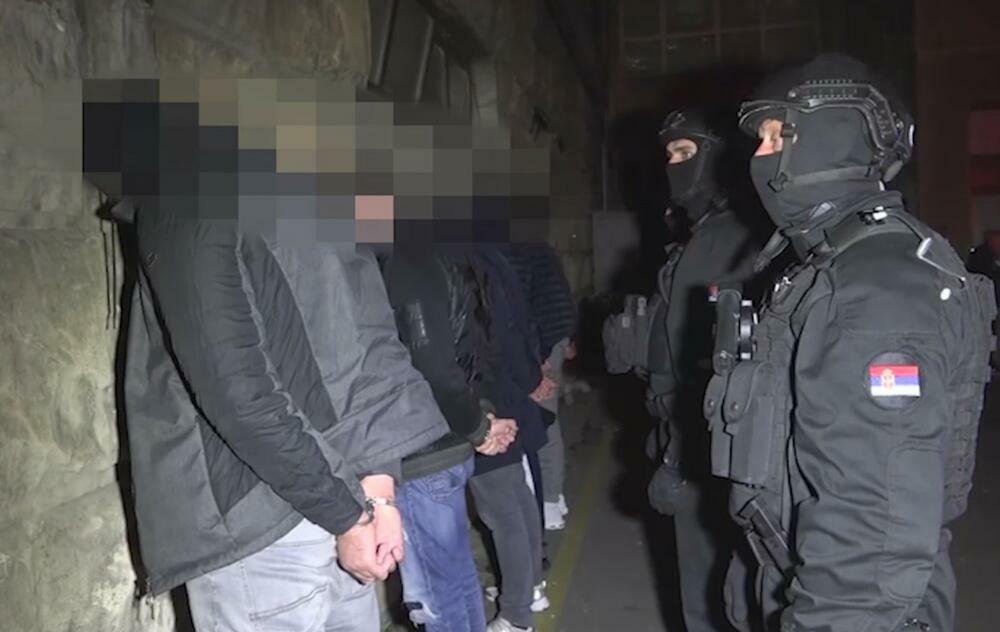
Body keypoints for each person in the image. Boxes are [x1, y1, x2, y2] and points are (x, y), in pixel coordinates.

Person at [88, 91, 451, 631]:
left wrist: (354, 515)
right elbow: (368, 348)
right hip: (341, 497)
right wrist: (378, 493)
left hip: (268, 529)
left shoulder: (185, 201)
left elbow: (238, 393)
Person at [705, 53, 997, 632]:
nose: (760, 158)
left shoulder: (878, 285)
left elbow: (874, 528)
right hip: (797, 574)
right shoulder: (835, 263)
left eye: (775, 137)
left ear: (830, 136)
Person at [381, 244, 519, 632]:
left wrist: (478, 426)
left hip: (424, 449)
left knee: (437, 595)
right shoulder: (452, 255)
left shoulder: (408, 261)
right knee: (456, 578)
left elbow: (431, 362)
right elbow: (472, 349)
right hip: (446, 444)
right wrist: (479, 419)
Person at [468, 243, 551, 632]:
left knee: (502, 507)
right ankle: (529, 587)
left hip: (486, 396)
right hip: (505, 390)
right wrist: (528, 378)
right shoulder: (491, 256)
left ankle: (517, 614)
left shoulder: (460, 260)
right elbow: (518, 324)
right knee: (516, 496)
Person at [506, 241, 578, 530]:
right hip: (553, 338)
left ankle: (548, 502)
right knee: (547, 418)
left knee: (542, 421)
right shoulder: (540, 249)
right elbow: (561, 299)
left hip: (542, 344)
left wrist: (539, 357)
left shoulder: (518, 252)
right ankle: (554, 498)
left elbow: (525, 308)